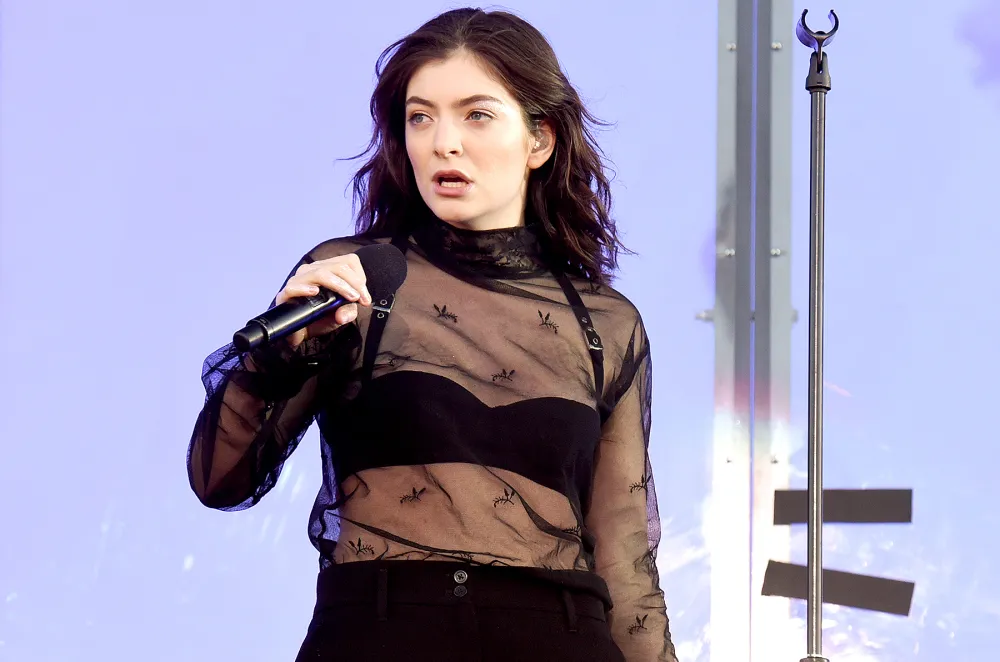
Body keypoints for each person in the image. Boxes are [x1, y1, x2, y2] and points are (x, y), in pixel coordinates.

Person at [187, 7, 677, 661]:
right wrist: (280, 358)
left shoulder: (605, 323)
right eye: (421, 117)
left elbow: (626, 563)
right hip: (380, 633)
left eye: (476, 114)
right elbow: (221, 478)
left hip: (559, 638)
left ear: (540, 140)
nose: (444, 142)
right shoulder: (359, 280)